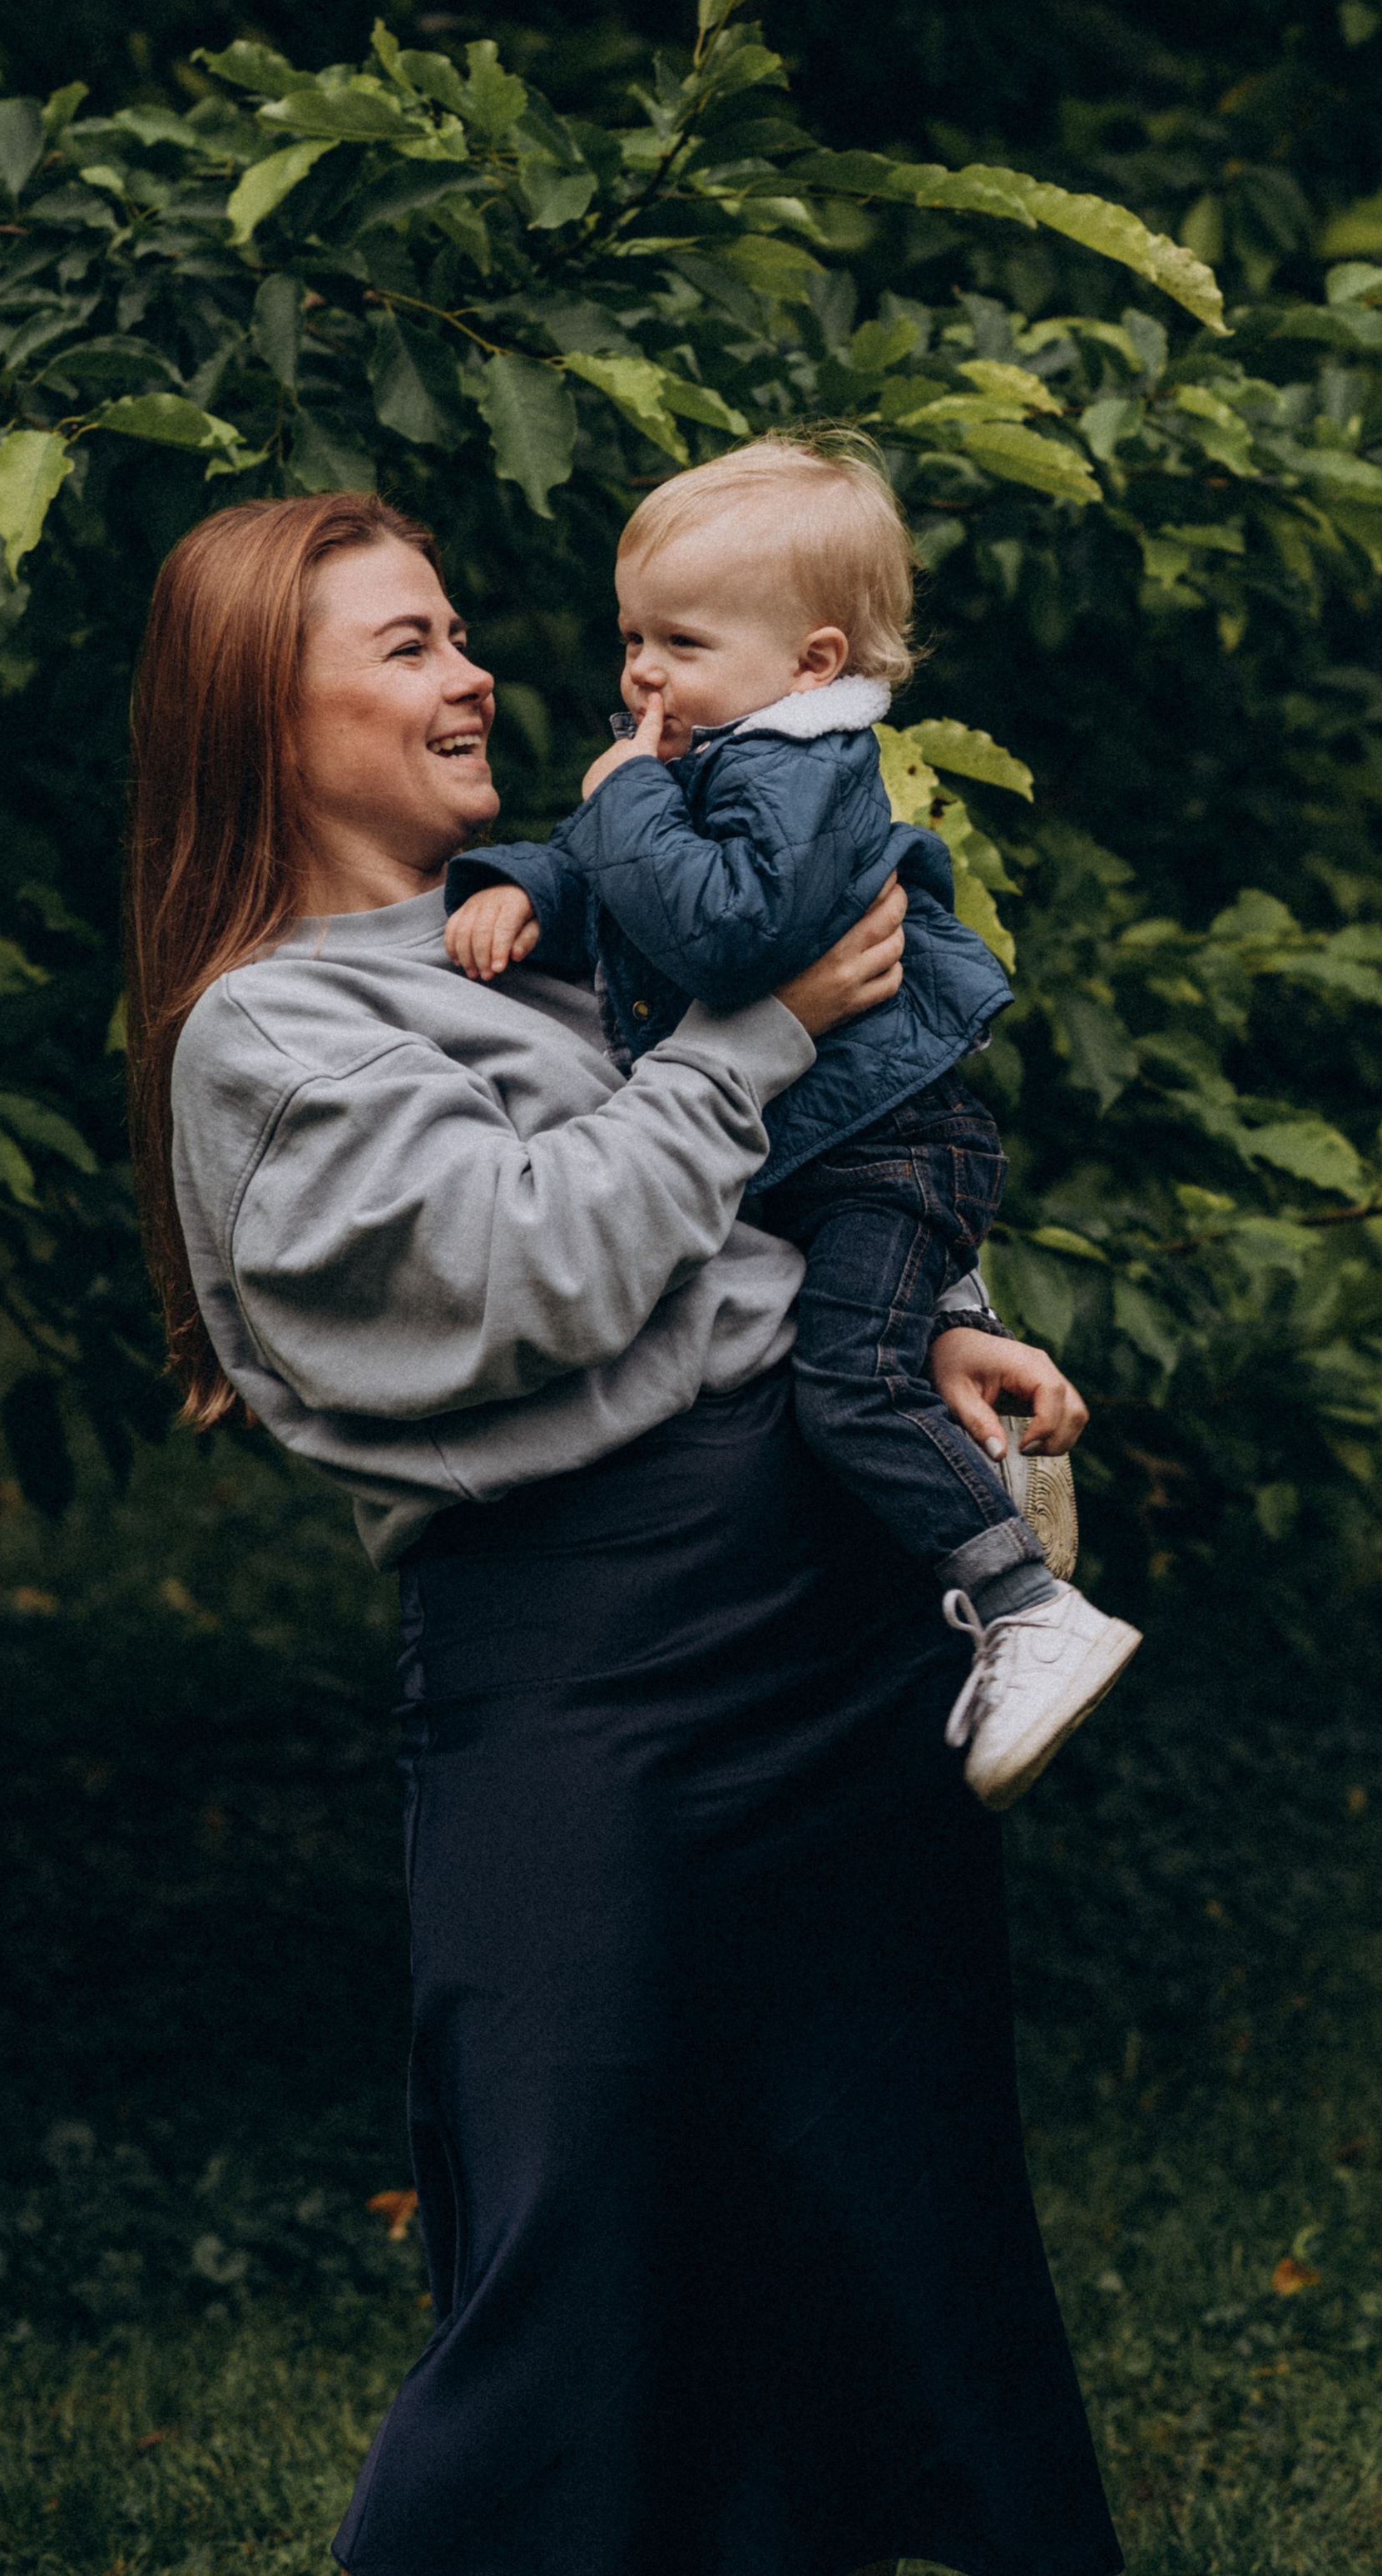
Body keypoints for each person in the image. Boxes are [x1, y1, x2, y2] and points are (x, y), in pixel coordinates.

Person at [125, 488, 1127, 2576]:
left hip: (830, 1637)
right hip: (604, 1672)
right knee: (588, 2248)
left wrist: (924, 1326)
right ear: (257, 713)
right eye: (402, 645)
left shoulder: (581, 913)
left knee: (885, 2206)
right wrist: (771, 1036)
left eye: (457, 625)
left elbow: (746, 1234)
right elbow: (525, 1270)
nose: (471, 669)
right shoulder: (278, 1028)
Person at [442, 435, 1141, 1807]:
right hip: (822, 1152)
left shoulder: (806, 777)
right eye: (633, 633)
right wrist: (525, 884)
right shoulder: (702, 760)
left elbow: (722, 931)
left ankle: (1027, 1607)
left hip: (882, 1153)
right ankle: (974, 1375)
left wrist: (623, 800)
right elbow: (616, 871)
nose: (642, 672)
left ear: (813, 664)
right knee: (886, 1345)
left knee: (851, 1379)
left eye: (682, 640)